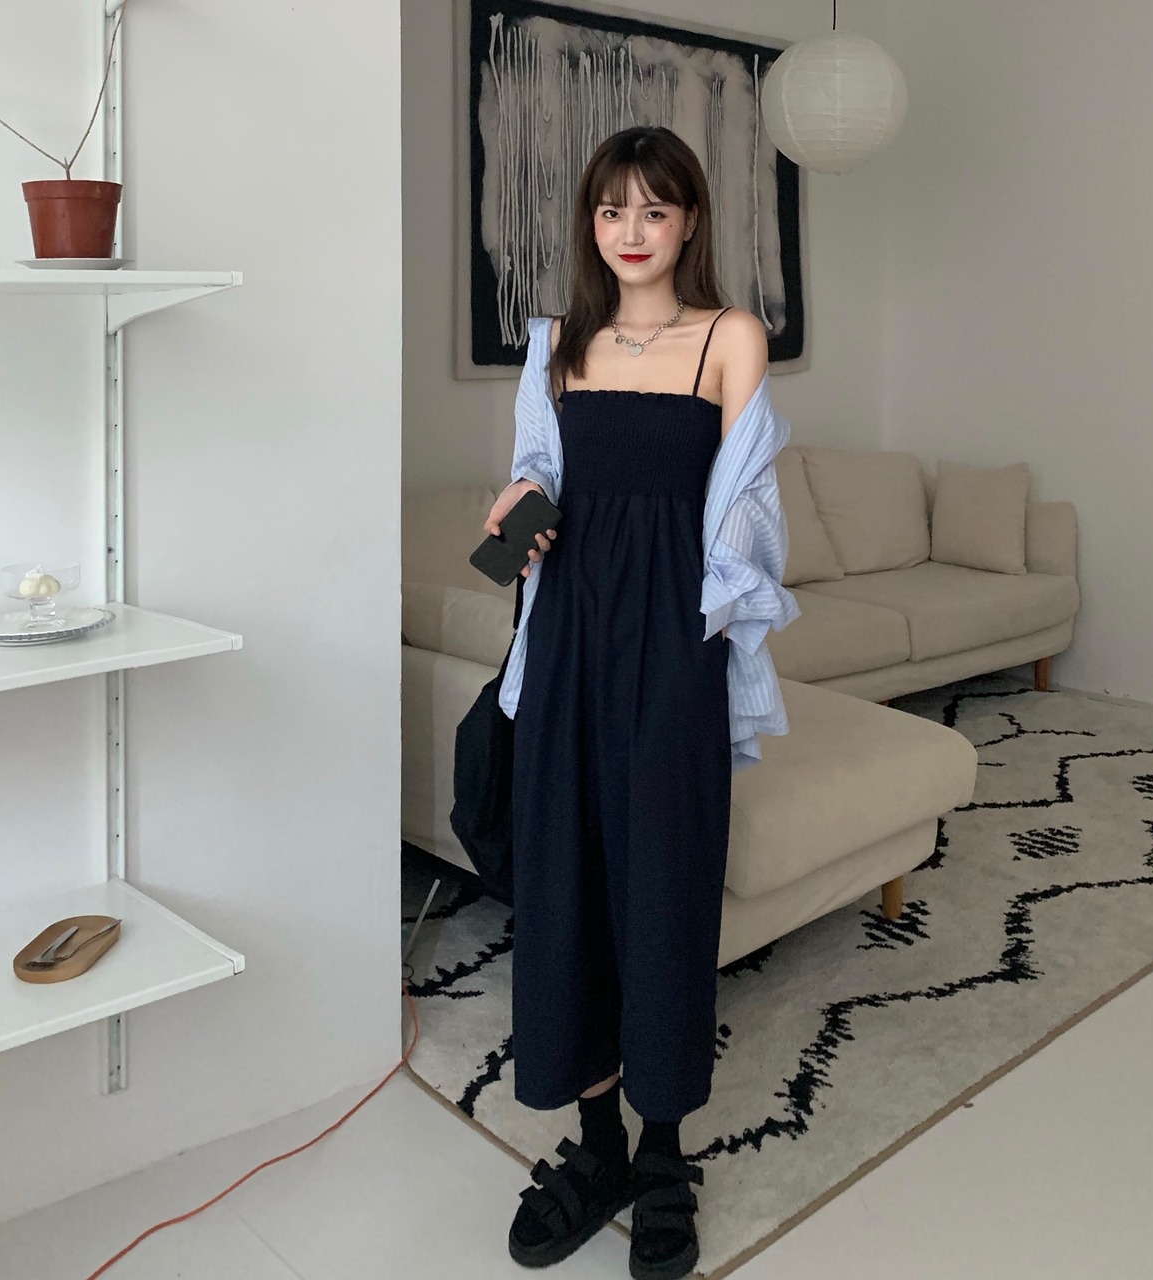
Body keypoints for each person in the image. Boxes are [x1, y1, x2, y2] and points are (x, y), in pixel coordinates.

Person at [482, 125, 800, 1279]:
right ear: (591, 222)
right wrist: (516, 505)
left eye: (653, 210)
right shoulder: (557, 343)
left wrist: (698, 631)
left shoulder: (728, 336)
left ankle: (663, 1150)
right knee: (566, 880)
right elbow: (539, 472)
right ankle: (599, 1142)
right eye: (611, 209)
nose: (631, 231)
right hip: (569, 632)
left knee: (662, 880)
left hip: (673, 635)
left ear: (688, 221)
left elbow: (746, 509)